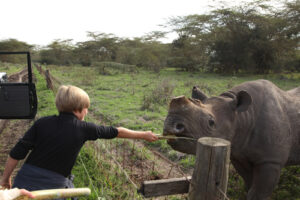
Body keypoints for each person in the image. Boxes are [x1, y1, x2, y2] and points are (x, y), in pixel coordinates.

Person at [0, 85, 158, 193]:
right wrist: (143, 134)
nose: (87, 112)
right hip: (53, 186)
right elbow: (116, 132)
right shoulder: (84, 129)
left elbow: (17, 153)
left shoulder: (42, 123)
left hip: (25, 181)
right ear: (78, 109)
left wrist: (6, 178)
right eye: (86, 108)